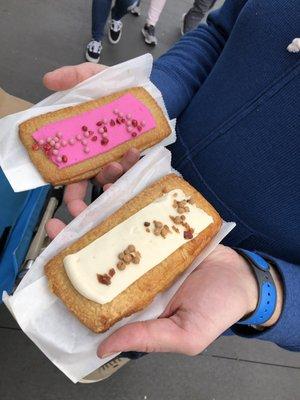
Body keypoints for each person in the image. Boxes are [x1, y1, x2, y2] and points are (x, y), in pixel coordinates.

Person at [44, 0, 299, 376]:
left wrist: (268, 291)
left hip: (228, 268)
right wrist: (148, 100)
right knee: (72, 250)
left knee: (127, 331)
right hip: (137, 168)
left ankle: (120, 353)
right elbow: (221, 34)